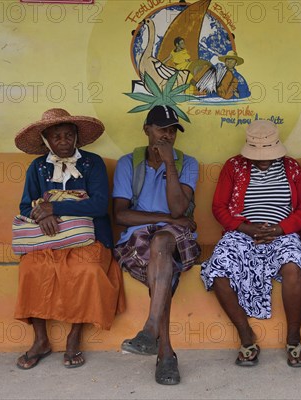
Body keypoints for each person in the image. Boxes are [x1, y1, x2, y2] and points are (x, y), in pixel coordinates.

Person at [13, 108, 126, 370]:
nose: (62, 141)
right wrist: (42, 216)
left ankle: (74, 337)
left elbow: (99, 206)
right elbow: (25, 206)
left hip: (90, 237)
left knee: (85, 270)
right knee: (32, 268)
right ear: (46, 140)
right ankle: (40, 340)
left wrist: (56, 208)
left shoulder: (92, 163)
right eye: (56, 137)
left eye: (68, 135)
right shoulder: (37, 167)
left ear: (76, 137)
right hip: (48, 238)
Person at [201, 119, 301, 367]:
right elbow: (218, 207)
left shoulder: (291, 168)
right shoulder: (233, 166)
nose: (263, 159)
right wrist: (245, 228)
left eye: (268, 153)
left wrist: (280, 228)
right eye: (257, 154)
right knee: (217, 268)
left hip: (282, 233)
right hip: (242, 232)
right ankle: (246, 336)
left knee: (293, 267)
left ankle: (294, 337)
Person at [112, 105, 200, 385]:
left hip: (175, 238)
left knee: (162, 242)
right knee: (161, 268)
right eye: (161, 128)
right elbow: (121, 214)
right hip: (138, 239)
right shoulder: (129, 163)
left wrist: (170, 164)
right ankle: (165, 354)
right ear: (147, 129)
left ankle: (150, 330)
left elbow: (178, 210)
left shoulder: (188, 163)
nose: (167, 135)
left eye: (172, 130)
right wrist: (162, 218)